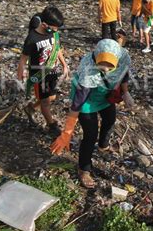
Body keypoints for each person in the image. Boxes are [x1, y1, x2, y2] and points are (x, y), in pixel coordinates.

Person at [50, 39, 134, 188]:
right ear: (96, 58)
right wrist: (67, 132)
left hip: (104, 94)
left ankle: (103, 146)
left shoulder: (122, 57)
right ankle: (84, 168)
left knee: (110, 119)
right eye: (103, 66)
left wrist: (126, 93)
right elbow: (77, 104)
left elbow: (124, 74)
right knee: (90, 135)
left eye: (110, 67)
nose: (107, 70)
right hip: (87, 101)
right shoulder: (88, 71)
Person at [17, 7, 69, 134]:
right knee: (45, 101)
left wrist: (64, 65)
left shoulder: (53, 33)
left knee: (51, 97)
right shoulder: (32, 38)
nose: (56, 30)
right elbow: (23, 58)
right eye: (54, 27)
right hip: (39, 75)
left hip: (53, 71)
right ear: (44, 24)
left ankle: (31, 108)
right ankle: (52, 125)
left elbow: (57, 49)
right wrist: (21, 73)